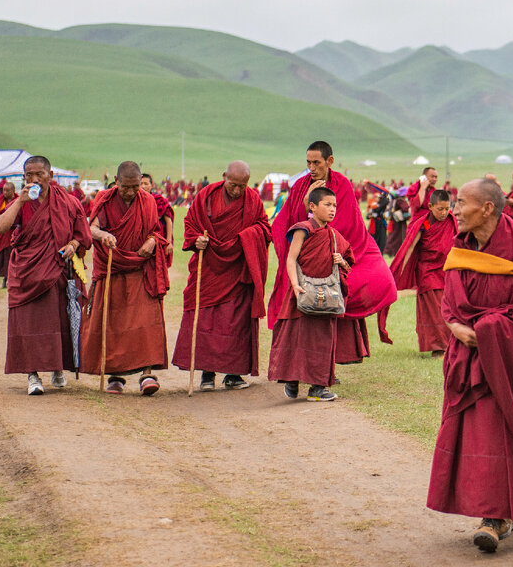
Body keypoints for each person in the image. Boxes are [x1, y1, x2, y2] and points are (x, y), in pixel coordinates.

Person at [425, 178, 513, 552]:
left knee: (504, 433)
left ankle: (498, 517)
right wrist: (454, 326)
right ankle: (488, 509)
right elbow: (451, 298)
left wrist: (490, 331)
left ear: (486, 208)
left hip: (510, 362)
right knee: (478, 434)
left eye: (462, 203)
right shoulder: (462, 248)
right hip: (471, 361)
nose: (455, 209)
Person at [268, 141, 398, 363]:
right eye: (308, 162)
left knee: (342, 298)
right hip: (305, 258)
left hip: (334, 256)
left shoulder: (343, 185)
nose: (311, 167)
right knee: (304, 309)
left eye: (316, 162)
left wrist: (337, 252)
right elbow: (288, 222)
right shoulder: (300, 185)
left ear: (329, 161)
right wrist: (307, 201)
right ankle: (301, 365)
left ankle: (330, 363)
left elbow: (350, 225)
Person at [0, 156, 92, 395]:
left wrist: (73, 244)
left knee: (57, 321)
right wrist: (19, 201)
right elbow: (0, 226)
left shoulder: (68, 202)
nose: (35, 179)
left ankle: (57, 368)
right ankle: (32, 375)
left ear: (50, 175)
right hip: (27, 272)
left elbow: (84, 236)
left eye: (39, 174)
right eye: (29, 175)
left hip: (57, 270)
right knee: (30, 323)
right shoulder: (22, 202)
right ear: (24, 177)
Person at [172, 161, 272, 391]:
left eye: (242, 186)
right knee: (207, 319)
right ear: (224, 176)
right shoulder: (206, 196)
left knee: (235, 322)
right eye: (233, 184)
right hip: (209, 267)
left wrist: (248, 236)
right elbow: (190, 224)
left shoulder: (253, 200)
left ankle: (233, 375)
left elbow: (264, 228)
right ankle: (207, 374)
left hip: (238, 270)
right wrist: (197, 239)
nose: (237, 190)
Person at [81, 161, 170, 395]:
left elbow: (155, 231)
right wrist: (103, 235)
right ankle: (115, 376)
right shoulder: (104, 198)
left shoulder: (148, 201)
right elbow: (92, 228)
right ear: (116, 181)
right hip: (113, 267)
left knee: (146, 321)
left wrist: (152, 241)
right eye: (125, 187)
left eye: (135, 187)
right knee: (113, 322)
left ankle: (147, 373)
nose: (130, 193)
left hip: (140, 269)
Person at [268, 186, 353, 401]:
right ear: (313, 207)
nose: (332, 209)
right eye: (327, 205)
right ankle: (292, 379)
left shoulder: (333, 235)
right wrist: (295, 286)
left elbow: (348, 261)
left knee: (322, 340)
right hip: (302, 291)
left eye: (334, 205)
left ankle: (318, 388)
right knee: (296, 335)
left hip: (326, 296)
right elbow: (291, 259)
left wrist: (340, 260)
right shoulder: (302, 229)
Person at [388, 189, 457, 354]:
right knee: (434, 310)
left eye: (447, 208)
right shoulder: (424, 223)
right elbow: (410, 247)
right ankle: (438, 348)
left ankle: (450, 345)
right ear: (431, 206)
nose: (443, 212)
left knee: (448, 307)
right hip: (428, 271)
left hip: (447, 271)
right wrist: (399, 270)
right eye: (440, 209)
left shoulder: (452, 221)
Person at [139, 173, 175, 265]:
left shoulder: (159, 200)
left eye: (146, 184)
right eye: (141, 183)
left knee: (158, 269)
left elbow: (168, 221)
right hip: (140, 242)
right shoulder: (135, 200)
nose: (143, 186)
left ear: (152, 185)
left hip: (158, 241)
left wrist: (168, 242)